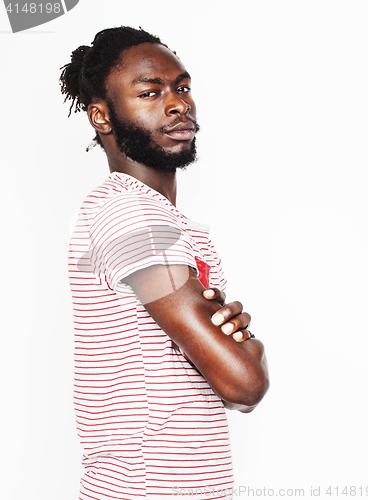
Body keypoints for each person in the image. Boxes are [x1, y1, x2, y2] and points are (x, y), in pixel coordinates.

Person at [61, 26, 269, 500]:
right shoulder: (130, 213)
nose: (178, 104)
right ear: (102, 116)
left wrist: (229, 350)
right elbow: (243, 384)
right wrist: (248, 349)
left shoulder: (166, 222)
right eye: (150, 92)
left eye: (182, 87)